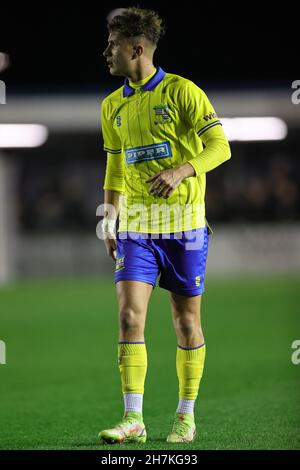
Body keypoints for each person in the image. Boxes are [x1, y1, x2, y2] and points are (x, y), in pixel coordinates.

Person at [99, 6, 231, 444]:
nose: (107, 53)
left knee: (186, 323)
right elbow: (115, 167)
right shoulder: (111, 106)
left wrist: (182, 171)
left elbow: (220, 146)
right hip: (137, 225)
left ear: (137, 48)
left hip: (184, 225)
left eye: (113, 46)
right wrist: (108, 217)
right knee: (128, 315)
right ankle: (133, 419)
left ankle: (185, 416)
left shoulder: (183, 92)